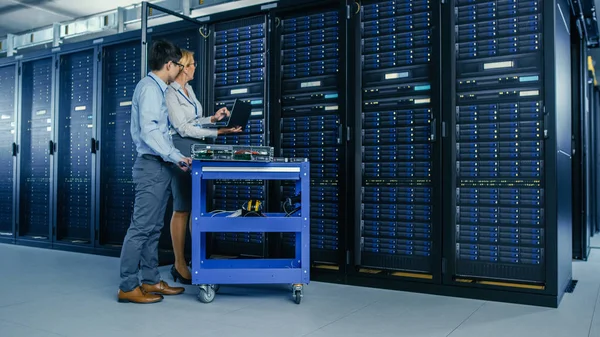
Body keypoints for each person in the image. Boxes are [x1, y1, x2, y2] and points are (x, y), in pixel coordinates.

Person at [117, 39, 192, 304]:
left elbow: (161, 132)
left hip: (161, 165)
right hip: (151, 165)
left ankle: (149, 281)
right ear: (169, 64)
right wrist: (175, 155)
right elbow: (149, 132)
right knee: (140, 228)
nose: (180, 72)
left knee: (153, 228)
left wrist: (175, 158)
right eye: (178, 66)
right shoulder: (150, 89)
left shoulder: (158, 89)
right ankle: (127, 285)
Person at [165, 49, 241, 284]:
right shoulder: (170, 93)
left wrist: (213, 119)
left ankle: (195, 260)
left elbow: (194, 121)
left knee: (197, 206)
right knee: (182, 206)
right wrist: (219, 131)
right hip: (181, 147)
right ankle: (179, 263)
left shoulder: (189, 90)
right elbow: (183, 128)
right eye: (192, 64)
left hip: (198, 147)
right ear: (183, 67)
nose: (195, 67)